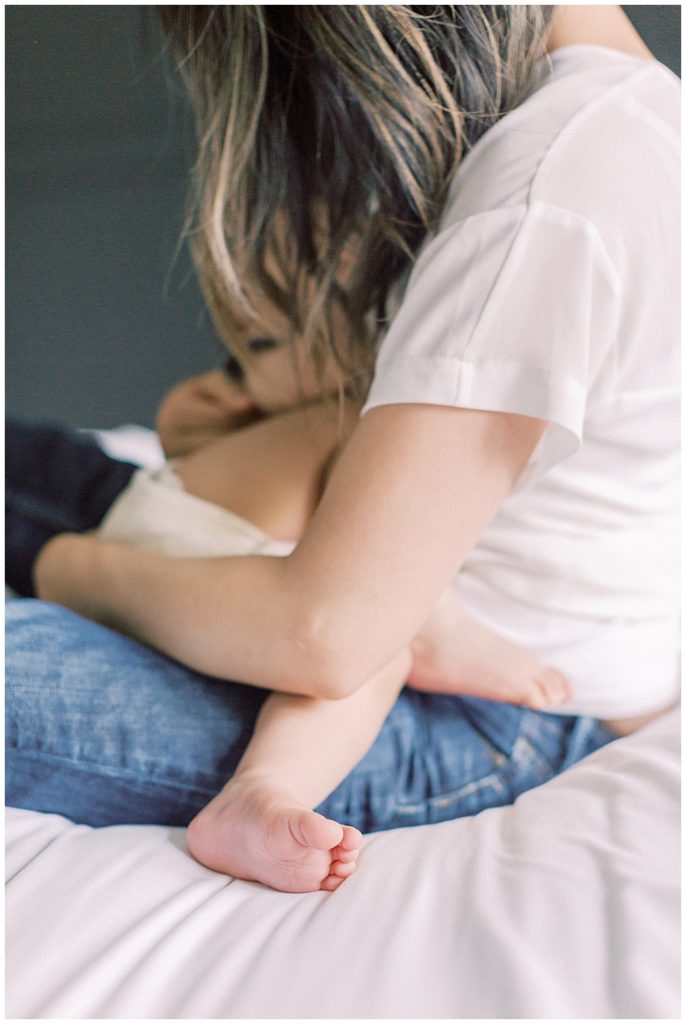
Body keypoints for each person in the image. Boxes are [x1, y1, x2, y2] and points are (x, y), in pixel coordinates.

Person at [6, 6, 679, 892]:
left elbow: (325, 636)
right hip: (368, 595)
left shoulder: (552, 188)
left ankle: (257, 785)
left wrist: (63, 566)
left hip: (454, 703)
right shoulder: (627, 125)